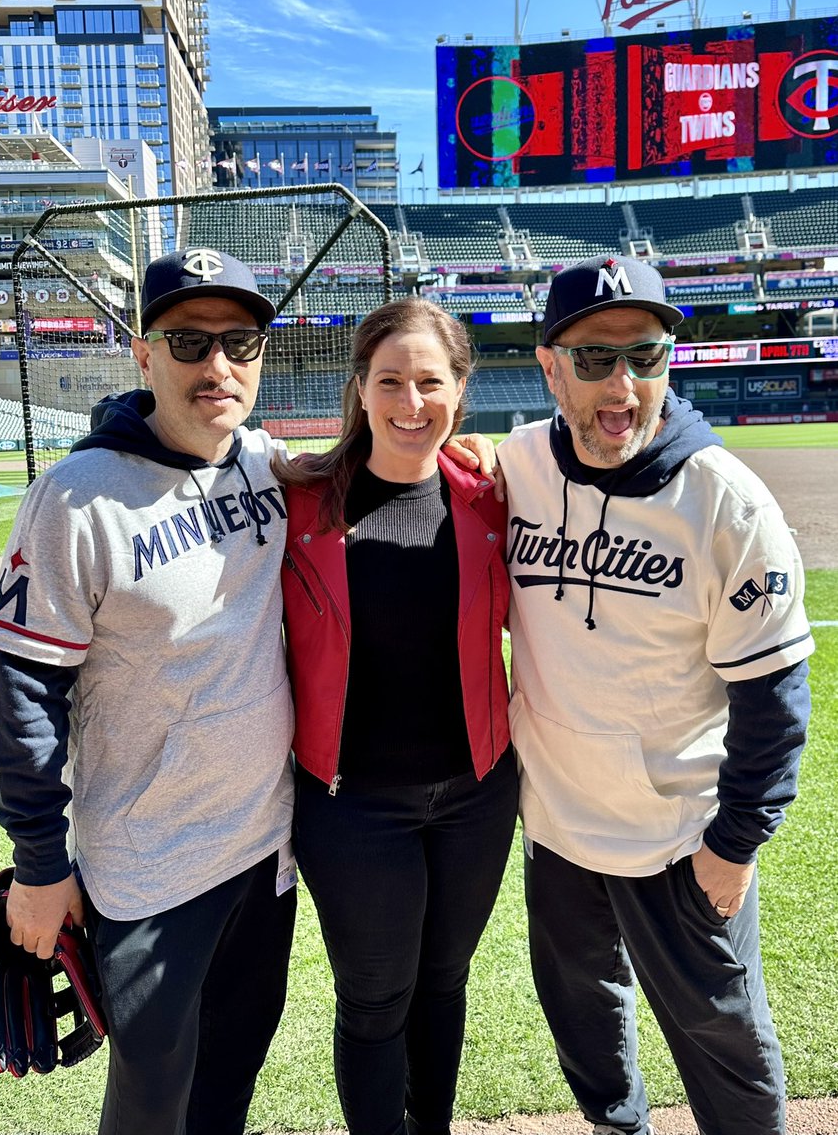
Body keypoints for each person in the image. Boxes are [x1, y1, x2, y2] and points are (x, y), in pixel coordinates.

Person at [498, 255, 814, 1135]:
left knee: (722, 1031)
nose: (623, 384)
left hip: (679, 832)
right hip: (558, 823)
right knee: (582, 1013)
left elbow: (775, 693)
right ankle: (617, 1125)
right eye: (595, 361)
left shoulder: (726, 502)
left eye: (645, 355)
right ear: (550, 366)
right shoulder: (517, 464)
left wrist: (736, 842)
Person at [0, 248, 298, 1135]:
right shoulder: (77, 497)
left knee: (233, 1070)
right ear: (143, 351)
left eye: (241, 341)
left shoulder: (266, 466)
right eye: (189, 341)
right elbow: (23, 692)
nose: (218, 365)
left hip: (265, 846)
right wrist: (43, 865)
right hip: (147, 866)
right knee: (151, 1097)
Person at [275, 297, 519, 1135]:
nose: (411, 403)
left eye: (430, 381)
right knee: (376, 1000)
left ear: (460, 389)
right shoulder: (298, 502)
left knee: (444, 982)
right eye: (390, 380)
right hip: (352, 807)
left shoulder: (494, 499)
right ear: (360, 388)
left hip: (478, 795)